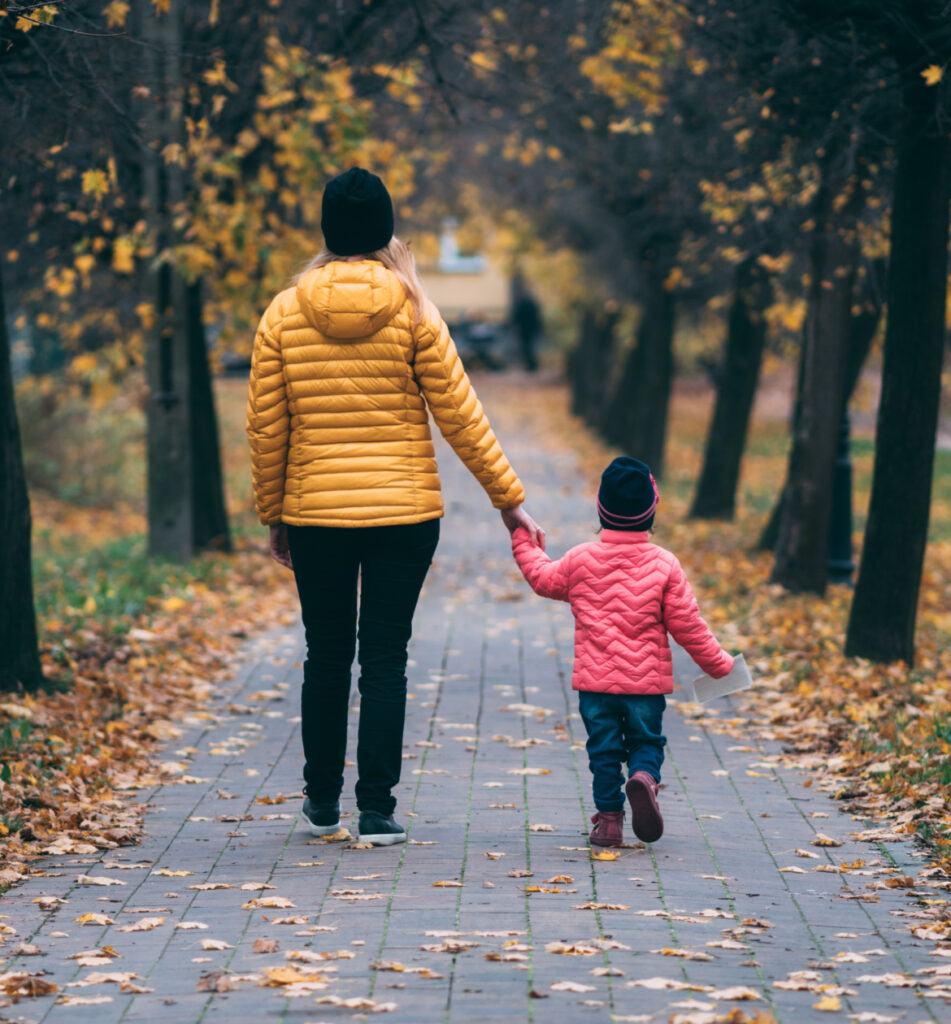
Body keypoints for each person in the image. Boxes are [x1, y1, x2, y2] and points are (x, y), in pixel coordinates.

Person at [246, 167, 544, 847]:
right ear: (384, 230)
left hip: (315, 513)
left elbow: (267, 426)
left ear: (327, 231)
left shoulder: (283, 313)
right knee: (385, 658)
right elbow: (461, 415)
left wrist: (275, 514)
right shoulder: (414, 309)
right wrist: (508, 502)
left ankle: (320, 805)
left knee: (325, 655)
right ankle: (375, 810)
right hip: (404, 516)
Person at [510, 456, 734, 846]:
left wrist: (520, 537)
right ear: (652, 510)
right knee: (647, 743)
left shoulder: (581, 559)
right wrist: (720, 665)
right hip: (645, 687)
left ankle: (609, 821)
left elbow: (543, 579)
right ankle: (644, 778)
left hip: (595, 687)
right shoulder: (665, 565)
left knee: (604, 752)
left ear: (601, 508)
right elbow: (689, 626)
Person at [509, 271, 542, 372]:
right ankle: (532, 365)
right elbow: (537, 316)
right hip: (531, 328)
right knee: (531, 347)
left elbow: (516, 316)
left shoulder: (521, 303)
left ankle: (530, 365)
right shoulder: (531, 302)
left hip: (524, 329)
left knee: (526, 348)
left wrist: (514, 324)